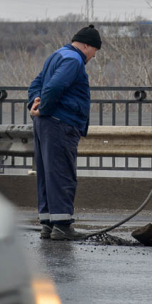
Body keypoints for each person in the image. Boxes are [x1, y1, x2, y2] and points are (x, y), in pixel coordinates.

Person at [27, 24, 101, 241]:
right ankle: (62, 226)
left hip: (45, 125)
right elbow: (56, 86)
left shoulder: (57, 54)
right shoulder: (73, 60)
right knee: (62, 174)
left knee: (47, 174)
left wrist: (35, 103)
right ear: (86, 45)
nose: (93, 57)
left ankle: (48, 224)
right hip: (61, 123)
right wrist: (45, 108)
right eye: (94, 51)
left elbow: (37, 83)